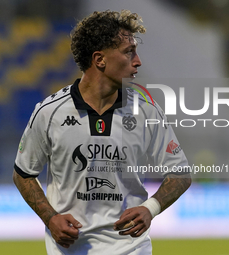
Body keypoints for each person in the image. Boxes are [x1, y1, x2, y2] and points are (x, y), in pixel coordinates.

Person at [13, 10, 192, 255]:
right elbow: (23, 173)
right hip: (70, 248)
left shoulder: (147, 111)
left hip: (131, 247)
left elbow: (180, 173)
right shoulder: (49, 112)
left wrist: (150, 208)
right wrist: (50, 218)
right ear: (100, 60)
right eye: (129, 52)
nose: (138, 61)